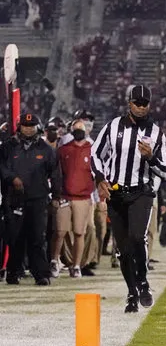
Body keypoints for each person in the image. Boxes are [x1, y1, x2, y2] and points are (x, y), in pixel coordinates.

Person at [91, 85, 166, 312]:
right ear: (129, 103)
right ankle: (132, 292)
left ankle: (143, 282)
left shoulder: (156, 133)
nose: (141, 107)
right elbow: (96, 153)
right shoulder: (113, 126)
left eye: (145, 103)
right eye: (137, 102)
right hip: (116, 193)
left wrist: (152, 157)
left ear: (150, 105)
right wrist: (99, 179)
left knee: (137, 237)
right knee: (123, 250)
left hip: (141, 192)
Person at [0, 113, 60, 285]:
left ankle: (41, 274)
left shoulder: (46, 149)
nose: (28, 129)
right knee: (14, 237)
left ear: (37, 127)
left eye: (32, 126)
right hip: (14, 199)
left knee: (37, 237)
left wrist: (56, 195)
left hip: (38, 198)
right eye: (25, 126)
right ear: (19, 127)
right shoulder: (8, 147)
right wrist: (11, 178)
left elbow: (55, 173)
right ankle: (14, 271)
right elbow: (1, 167)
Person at [51, 119, 95, 278]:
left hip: (83, 198)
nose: (78, 131)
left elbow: (98, 174)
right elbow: (56, 173)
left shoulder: (92, 150)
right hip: (64, 196)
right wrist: (56, 194)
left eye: (81, 128)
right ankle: (54, 261)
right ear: (71, 131)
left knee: (79, 232)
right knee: (60, 231)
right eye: (76, 128)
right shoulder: (63, 150)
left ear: (86, 131)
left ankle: (76, 265)